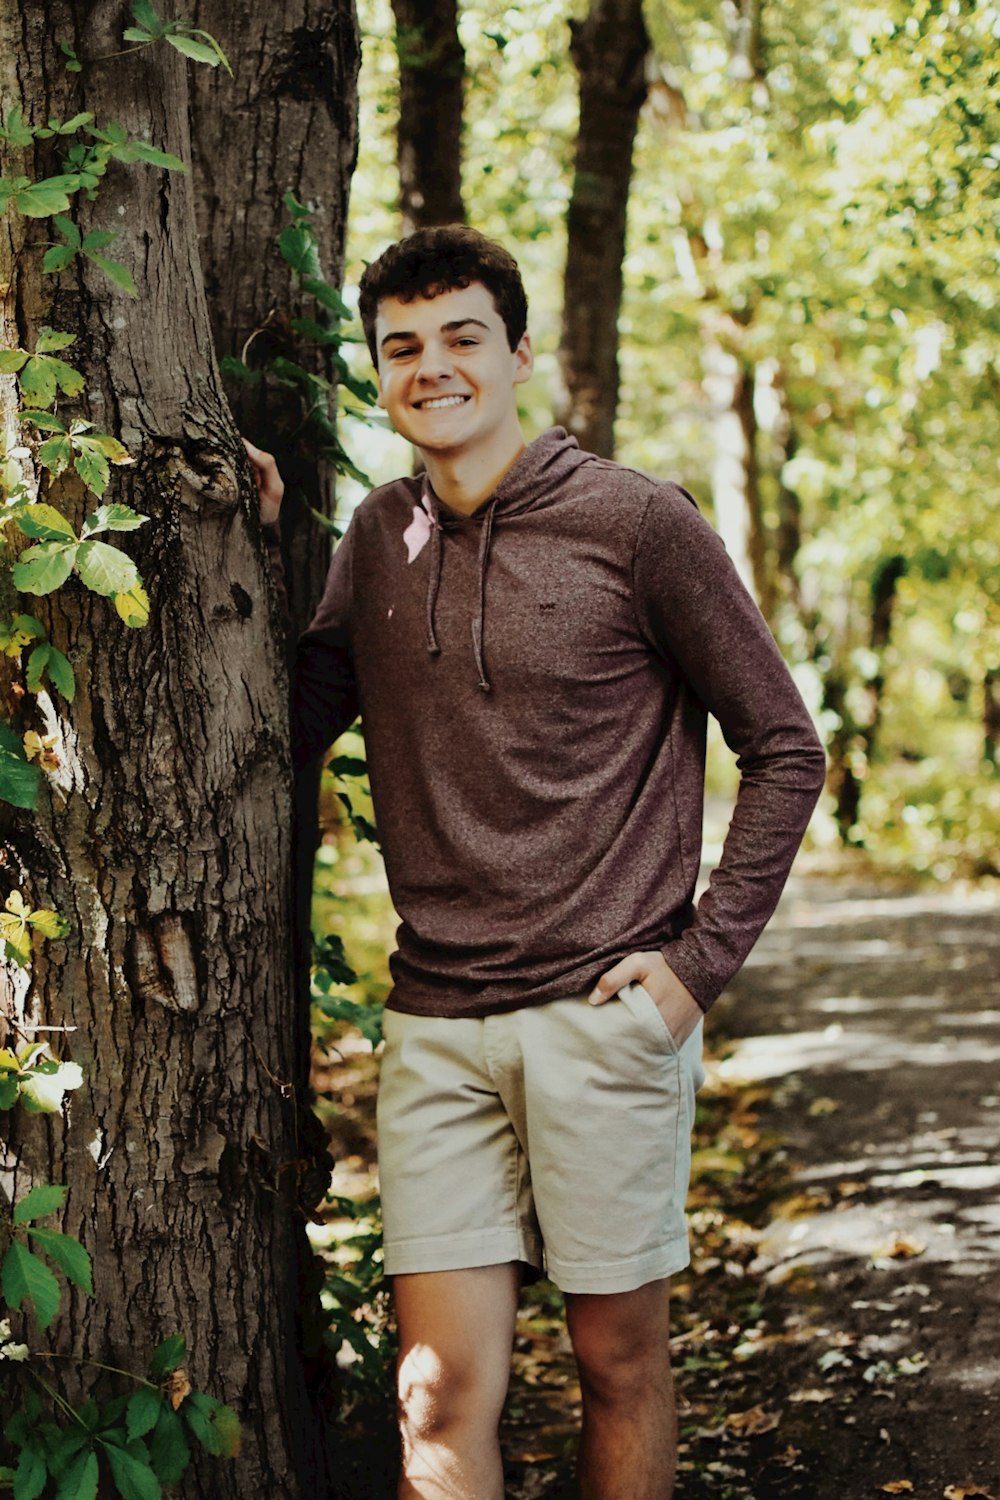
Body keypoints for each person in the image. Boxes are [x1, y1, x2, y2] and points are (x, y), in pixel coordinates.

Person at [247, 224, 826, 1500]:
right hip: (437, 1025)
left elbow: (785, 748)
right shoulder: (376, 538)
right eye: (401, 348)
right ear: (381, 373)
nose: (431, 368)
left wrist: (693, 972)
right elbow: (281, 723)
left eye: (462, 338)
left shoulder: (638, 524)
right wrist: (245, 548)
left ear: (519, 355)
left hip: (601, 1019)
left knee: (618, 1367)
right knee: (435, 1397)